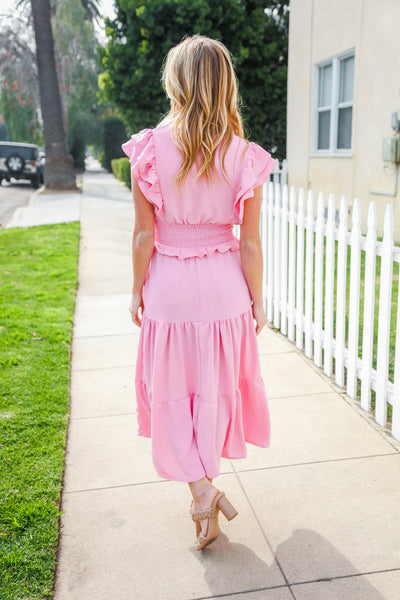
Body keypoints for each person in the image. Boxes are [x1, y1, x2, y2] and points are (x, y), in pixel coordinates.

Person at [121, 35, 276, 551]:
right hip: (224, 288)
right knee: (213, 391)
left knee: (173, 394)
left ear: (177, 82)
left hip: (169, 286)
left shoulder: (149, 150)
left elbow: (145, 235)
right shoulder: (244, 156)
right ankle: (205, 492)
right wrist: (258, 300)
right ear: (225, 85)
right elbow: (249, 243)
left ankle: (202, 494)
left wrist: (135, 289)